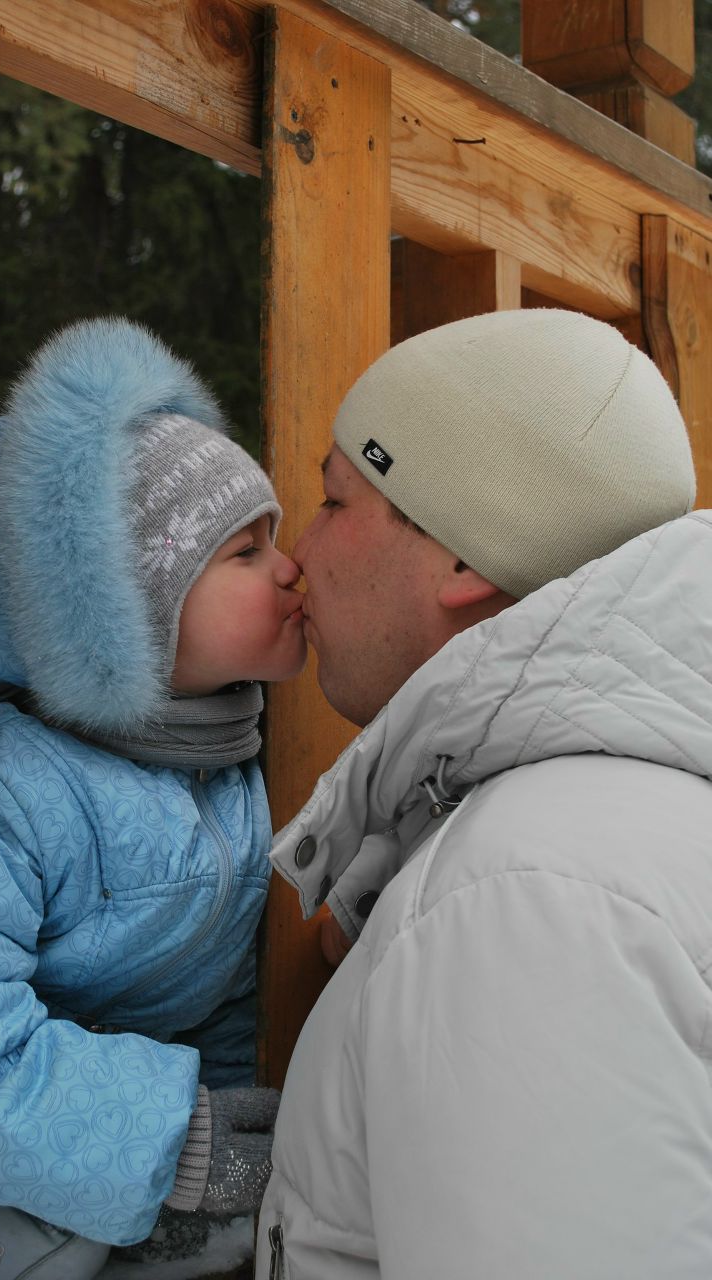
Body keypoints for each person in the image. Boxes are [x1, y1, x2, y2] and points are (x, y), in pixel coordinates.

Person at [255, 307, 712, 1279]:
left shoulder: (523, 898)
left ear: (462, 554)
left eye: (336, 501)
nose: (299, 550)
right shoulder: (585, 837)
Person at [0, 317, 306, 1278]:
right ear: (123, 611)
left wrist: (229, 1126)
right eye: (244, 553)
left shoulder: (225, 763)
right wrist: (179, 1139)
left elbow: (221, 1000)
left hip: (141, 1180)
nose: (292, 567)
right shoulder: (7, 784)